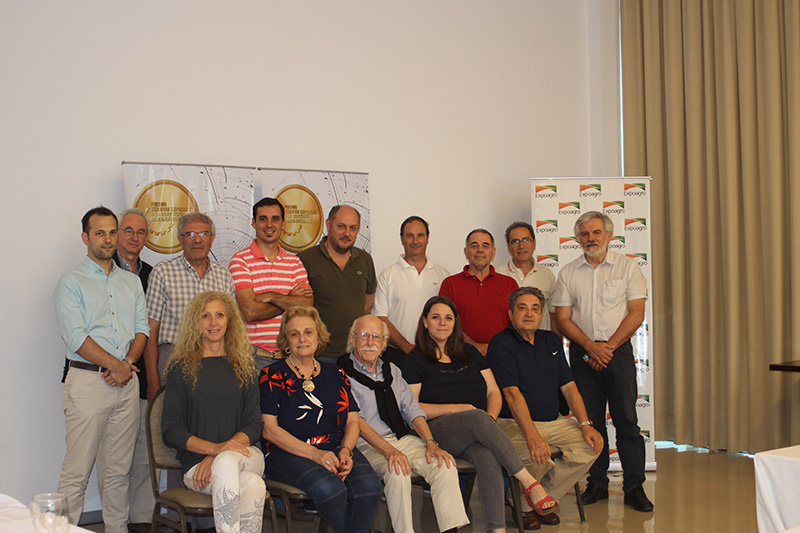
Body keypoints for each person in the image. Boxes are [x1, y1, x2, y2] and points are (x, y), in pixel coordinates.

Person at [402, 296, 558, 532]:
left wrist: (488, 423)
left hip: (476, 428)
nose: (442, 323)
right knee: (476, 417)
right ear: (425, 322)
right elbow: (412, 407)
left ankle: (497, 529)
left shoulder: (470, 352)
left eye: (448, 318)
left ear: (455, 322)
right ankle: (529, 482)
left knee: (487, 456)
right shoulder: (414, 359)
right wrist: (458, 409)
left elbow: (494, 391)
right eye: (435, 317)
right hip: (435, 431)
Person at [53, 207, 149, 533]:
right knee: (76, 472)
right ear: (85, 237)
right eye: (99, 233)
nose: (107, 239)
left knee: (118, 472)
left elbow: (142, 329)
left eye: (111, 232)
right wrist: (115, 366)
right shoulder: (71, 282)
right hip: (87, 383)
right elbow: (76, 337)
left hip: (126, 384)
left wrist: (127, 364)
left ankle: (116, 528)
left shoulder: (131, 282)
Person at [552, 211, 652, 512]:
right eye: (584, 234)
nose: (591, 238)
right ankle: (597, 483)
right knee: (591, 422)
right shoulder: (568, 272)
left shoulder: (628, 267)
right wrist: (590, 348)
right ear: (577, 238)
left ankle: (634, 486)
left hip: (617, 352)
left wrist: (606, 348)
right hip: (582, 354)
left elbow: (636, 312)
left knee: (627, 421)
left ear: (609, 235)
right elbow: (562, 318)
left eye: (596, 232)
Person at [339, 315, 469, 533]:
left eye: (376, 336)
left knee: (444, 464)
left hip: (401, 438)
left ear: (384, 343)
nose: (370, 342)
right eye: (364, 335)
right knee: (398, 471)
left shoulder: (392, 370)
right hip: (364, 444)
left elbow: (412, 411)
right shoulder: (341, 372)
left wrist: (430, 442)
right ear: (353, 339)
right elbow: (356, 422)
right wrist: (389, 451)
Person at [488, 286, 603, 529]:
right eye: (522, 308)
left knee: (591, 446)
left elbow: (569, 386)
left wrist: (585, 424)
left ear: (541, 314)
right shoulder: (500, 343)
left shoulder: (551, 340)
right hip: (512, 423)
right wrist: (532, 435)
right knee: (537, 455)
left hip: (554, 421)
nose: (529, 314)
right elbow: (511, 394)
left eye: (535, 309)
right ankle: (526, 504)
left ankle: (537, 499)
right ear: (510, 313)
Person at [259, 306, 381, 533]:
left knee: (369, 486)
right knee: (330, 489)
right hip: (287, 452)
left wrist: (346, 450)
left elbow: (352, 421)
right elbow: (269, 430)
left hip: (335, 447)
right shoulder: (272, 375)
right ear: (286, 340)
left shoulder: (336, 374)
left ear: (318, 338)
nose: (302, 339)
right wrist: (315, 454)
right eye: (294, 334)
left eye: (308, 332)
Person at [161, 291, 266, 533]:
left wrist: (219, 453)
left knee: (227, 462)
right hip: (197, 468)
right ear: (195, 322)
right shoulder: (180, 368)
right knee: (253, 485)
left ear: (229, 320)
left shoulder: (245, 367)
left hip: (245, 456)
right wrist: (213, 450)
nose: (213, 323)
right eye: (205, 316)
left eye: (219, 315)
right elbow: (171, 430)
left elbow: (253, 425)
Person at [144, 212, 235, 397]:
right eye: (190, 234)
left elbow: (232, 326)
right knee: (172, 413)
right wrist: (152, 380)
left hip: (216, 358)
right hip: (173, 356)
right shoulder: (163, 272)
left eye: (203, 233)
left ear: (212, 238)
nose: (197, 240)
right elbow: (150, 329)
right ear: (180, 239)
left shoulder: (224, 275)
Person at [230, 197, 313, 370]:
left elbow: (306, 305)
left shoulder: (294, 263)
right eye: (263, 219)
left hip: (291, 357)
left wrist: (270, 296)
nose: (269, 225)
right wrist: (289, 300)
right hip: (253, 358)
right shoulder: (240, 261)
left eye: (275, 219)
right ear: (253, 223)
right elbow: (249, 311)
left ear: (283, 224)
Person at [111, 208, 154, 533]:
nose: (134, 237)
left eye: (140, 232)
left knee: (142, 452)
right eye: (128, 230)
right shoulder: (102, 270)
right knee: (113, 458)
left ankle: (140, 520)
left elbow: (148, 328)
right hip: (106, 375)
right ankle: (115, 521)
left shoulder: (152, 274)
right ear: (116, 234)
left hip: (139, 375)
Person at [299, 205, 377, 363]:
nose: (347, 233)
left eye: (353, 228)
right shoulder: (305, 260)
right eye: (341, 226)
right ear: (329, 225)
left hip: (356, 353)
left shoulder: (365, 260)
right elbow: (298, 309)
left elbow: (368, 302)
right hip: (317, 354)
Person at [372, 215, 449, 365]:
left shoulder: (443, 275)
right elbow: (380, 318)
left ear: (427, 238)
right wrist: (407, 347)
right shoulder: (387, 275)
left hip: (435, 353)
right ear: (402, 239)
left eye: (420, 235)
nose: (415, 241)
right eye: (409, 236)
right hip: (396, 354)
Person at [439, 229, 517, 356]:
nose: (480, 250)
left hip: (503, 355)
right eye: (474, 246)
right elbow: (444, 324)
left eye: (485, 246)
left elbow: (517, 322)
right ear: (466, 252)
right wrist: (474, 346)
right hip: (462, 356)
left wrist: (497, 348)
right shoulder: (450, 284)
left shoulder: (510, 284)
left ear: (493, 252)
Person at [495, 221, 558, 333]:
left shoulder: (547, 275)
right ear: (508, 247)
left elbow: (553, 316)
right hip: (507, 340)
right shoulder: (497, 274)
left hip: (539, 341)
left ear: (534, 243)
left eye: (526, 240)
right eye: (515, 241)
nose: (521, 246)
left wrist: (555, 341)